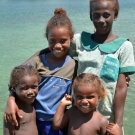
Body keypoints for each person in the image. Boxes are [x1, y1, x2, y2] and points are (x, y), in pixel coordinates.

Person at [4, 0, 135, 134]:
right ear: (90, 16)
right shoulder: (80, 41)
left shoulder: (124, 47)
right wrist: (12, 96)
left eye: (106, 15)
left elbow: (121, 87)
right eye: (96, 15)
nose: (101, 20)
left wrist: (118, 123)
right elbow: (55, 49)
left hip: (107, 114)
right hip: (78, 111)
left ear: (116, 15)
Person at [4, 8, 77, 135]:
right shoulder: (37, 62)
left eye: (63, 41)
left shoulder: (73, 65)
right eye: (52, 40)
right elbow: (14, 82)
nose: (58, 45)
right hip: (34, 120)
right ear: (47, 38)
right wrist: (11, 100)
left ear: (71, 38)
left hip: (59, 122)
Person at [4, 65, 40, 135]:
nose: (30, 92)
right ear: (14, 88)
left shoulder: (30, 103)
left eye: (34, 87)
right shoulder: (12, 111)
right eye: (25, 88)